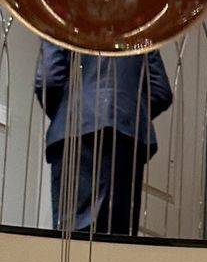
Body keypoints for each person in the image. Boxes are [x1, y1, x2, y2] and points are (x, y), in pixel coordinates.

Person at [34, 43, 173, 236]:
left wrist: (68, 112)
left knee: (72, 233)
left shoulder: (65, 14)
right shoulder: (139, 24)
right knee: (117, 238)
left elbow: (48, 80)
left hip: (76, 133)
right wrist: (130, 111)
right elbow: (161, 91)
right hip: (126, 139)